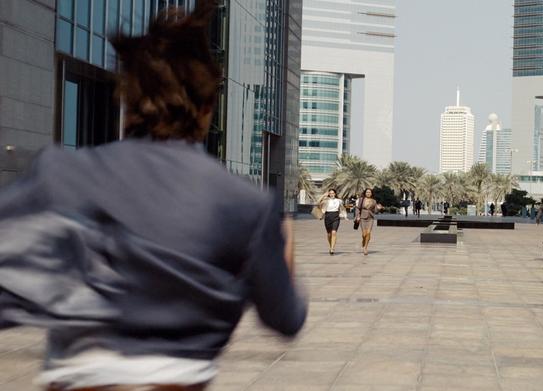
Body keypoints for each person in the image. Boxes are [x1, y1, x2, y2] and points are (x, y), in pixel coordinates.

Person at [0, 3, 307, 389]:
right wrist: (285, 248)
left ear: (125, 99)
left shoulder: (62, 173)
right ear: (208, 106)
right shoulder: (245, 203)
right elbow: (285, 318)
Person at [355, 188, 383, 256]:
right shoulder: (361, 200)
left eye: (369, 192)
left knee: (368, 233)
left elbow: (375, 211)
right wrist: (357, 216)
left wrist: (379, 208)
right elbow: (358, 208)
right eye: (367, 192)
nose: (368, 193)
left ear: (371, 193)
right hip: (362, 217)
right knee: (364, 234)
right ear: (365, 193)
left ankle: (365, 248)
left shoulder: (374, 201)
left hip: (370, 218)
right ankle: (363, 240)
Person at [319, 189, 343, 255]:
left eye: (333, 193)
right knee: (329, 234)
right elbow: (318, 202)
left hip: (336, 217)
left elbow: (342, 209)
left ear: (335, 194)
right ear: (329, 194)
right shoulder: (326, 200)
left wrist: (344, 215)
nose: (332, 194)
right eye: (330, 193)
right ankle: (330, 246)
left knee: (334, 232)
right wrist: (324, 195)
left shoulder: (339, 201)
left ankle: (332, 248)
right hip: (328, 216)